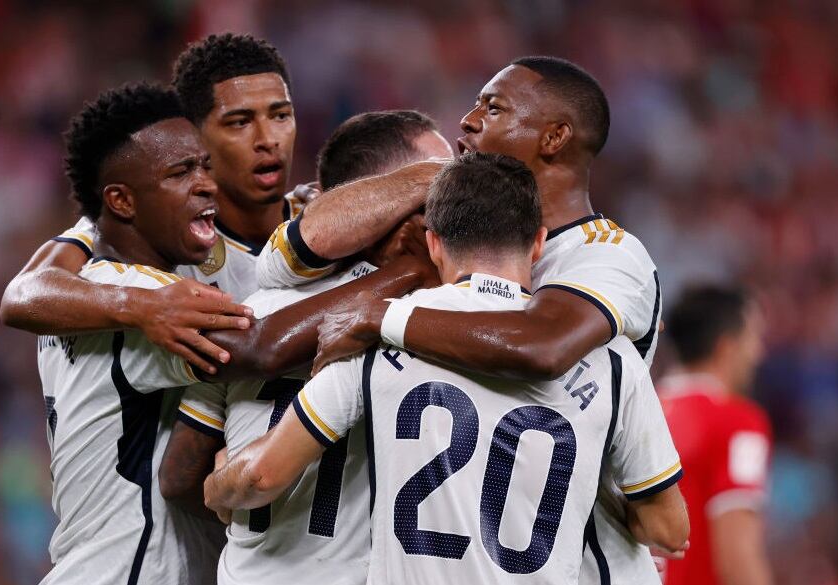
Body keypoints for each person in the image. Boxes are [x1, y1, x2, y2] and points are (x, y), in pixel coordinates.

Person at [257, 56, 671, 582]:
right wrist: (425, 177)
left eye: (493, 108)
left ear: (554, 138)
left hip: (581, 563)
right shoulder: (464, 222)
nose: (468, 121)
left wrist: (384, 318)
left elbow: (540, 346)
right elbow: (283, 260)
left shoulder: (607, 257)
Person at [160, 110, 454, 585]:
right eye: (433, 182)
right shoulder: (433, 319)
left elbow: (178, 479)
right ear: (384, 195)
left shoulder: (254, 305)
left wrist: (251, 523)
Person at [1, 33, 303, 376]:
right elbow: (23, 294)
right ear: (194, 134)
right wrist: (144, 307)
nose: (268, 140)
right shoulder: (145, 228)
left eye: (280, 116)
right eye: (240, 122)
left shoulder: (325, 221)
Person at [38, 82, 227, 585]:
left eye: (205, 166)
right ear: (121, 201)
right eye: (181, 172)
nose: (207, 184)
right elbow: (254, 345)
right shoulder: (144, 296)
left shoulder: (78, 294)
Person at [659, 285, 773, 585]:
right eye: (753, 339)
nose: (759, 354)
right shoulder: (738, 423)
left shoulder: (638, 411)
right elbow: (737, 555)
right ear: (727, 347)